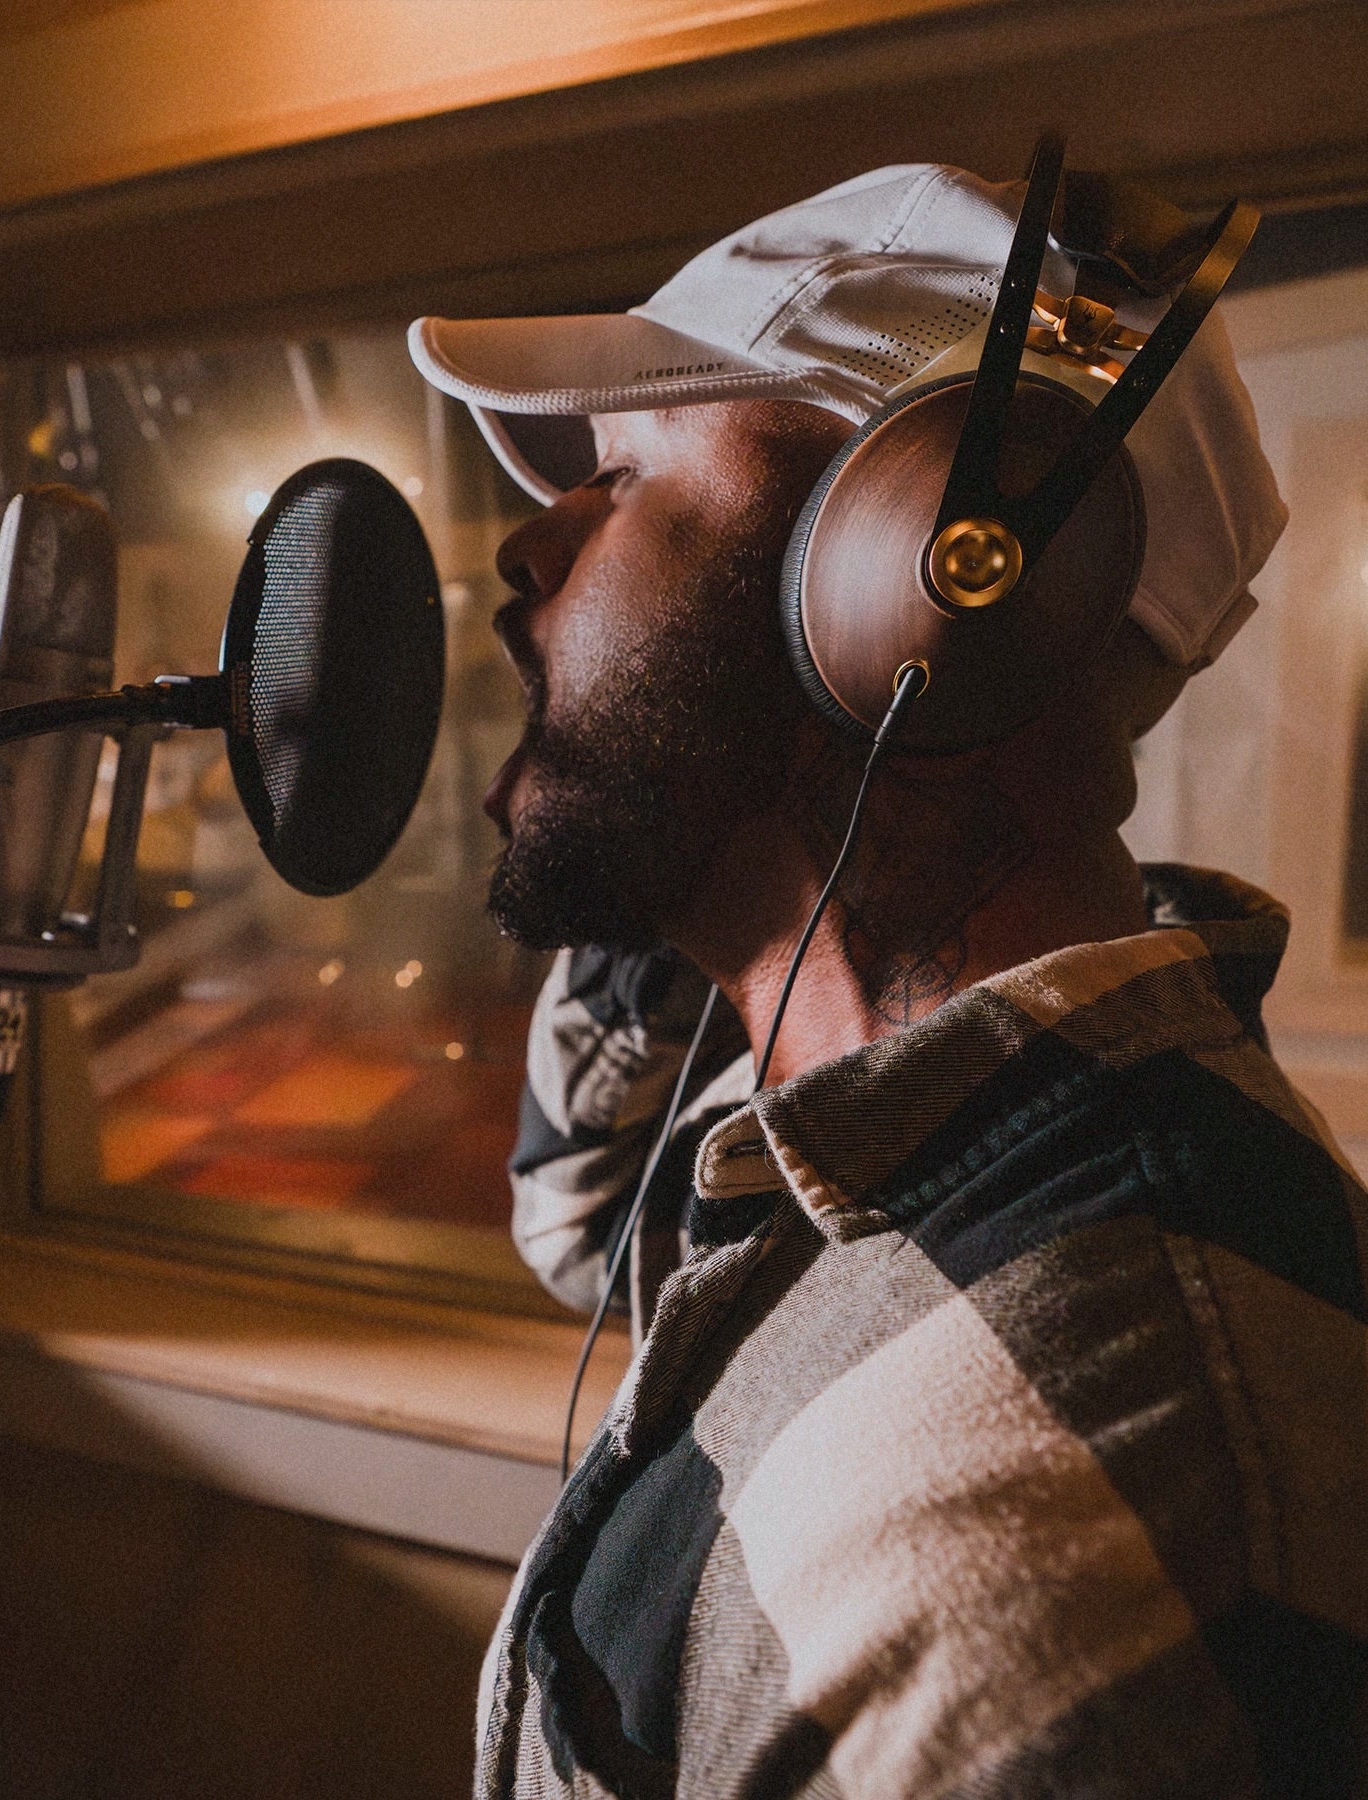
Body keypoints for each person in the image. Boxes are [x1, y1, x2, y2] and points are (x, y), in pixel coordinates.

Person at [409, 160, 1368, 1799]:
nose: (522, 548)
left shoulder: (1062, 1538)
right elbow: (578, 1223)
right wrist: (646, 823)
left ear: (922, 569)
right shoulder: (854, 1125)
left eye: (625, 474)